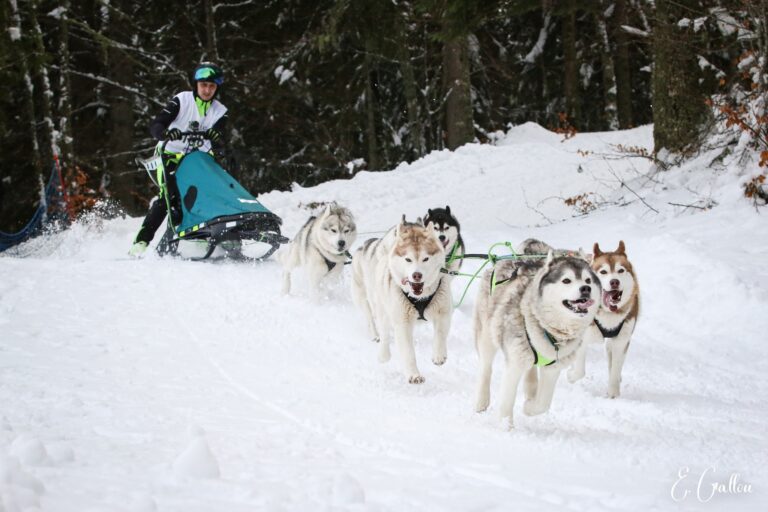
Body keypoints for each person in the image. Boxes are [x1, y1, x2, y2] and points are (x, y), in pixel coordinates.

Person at [129, 62, 229, 257]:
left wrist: (216, 137)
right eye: (203, 85)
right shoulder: (181, 100)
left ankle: (197, 238)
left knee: (201, 196)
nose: (207, 90)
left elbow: (219, 134)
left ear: (217, 88)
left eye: (211, 86)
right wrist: (166, 133)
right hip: (170, 155)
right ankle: (141, 242)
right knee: (169, 197)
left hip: (198, 159)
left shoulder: (221, 110)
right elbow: (157, 124)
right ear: (196, 84)